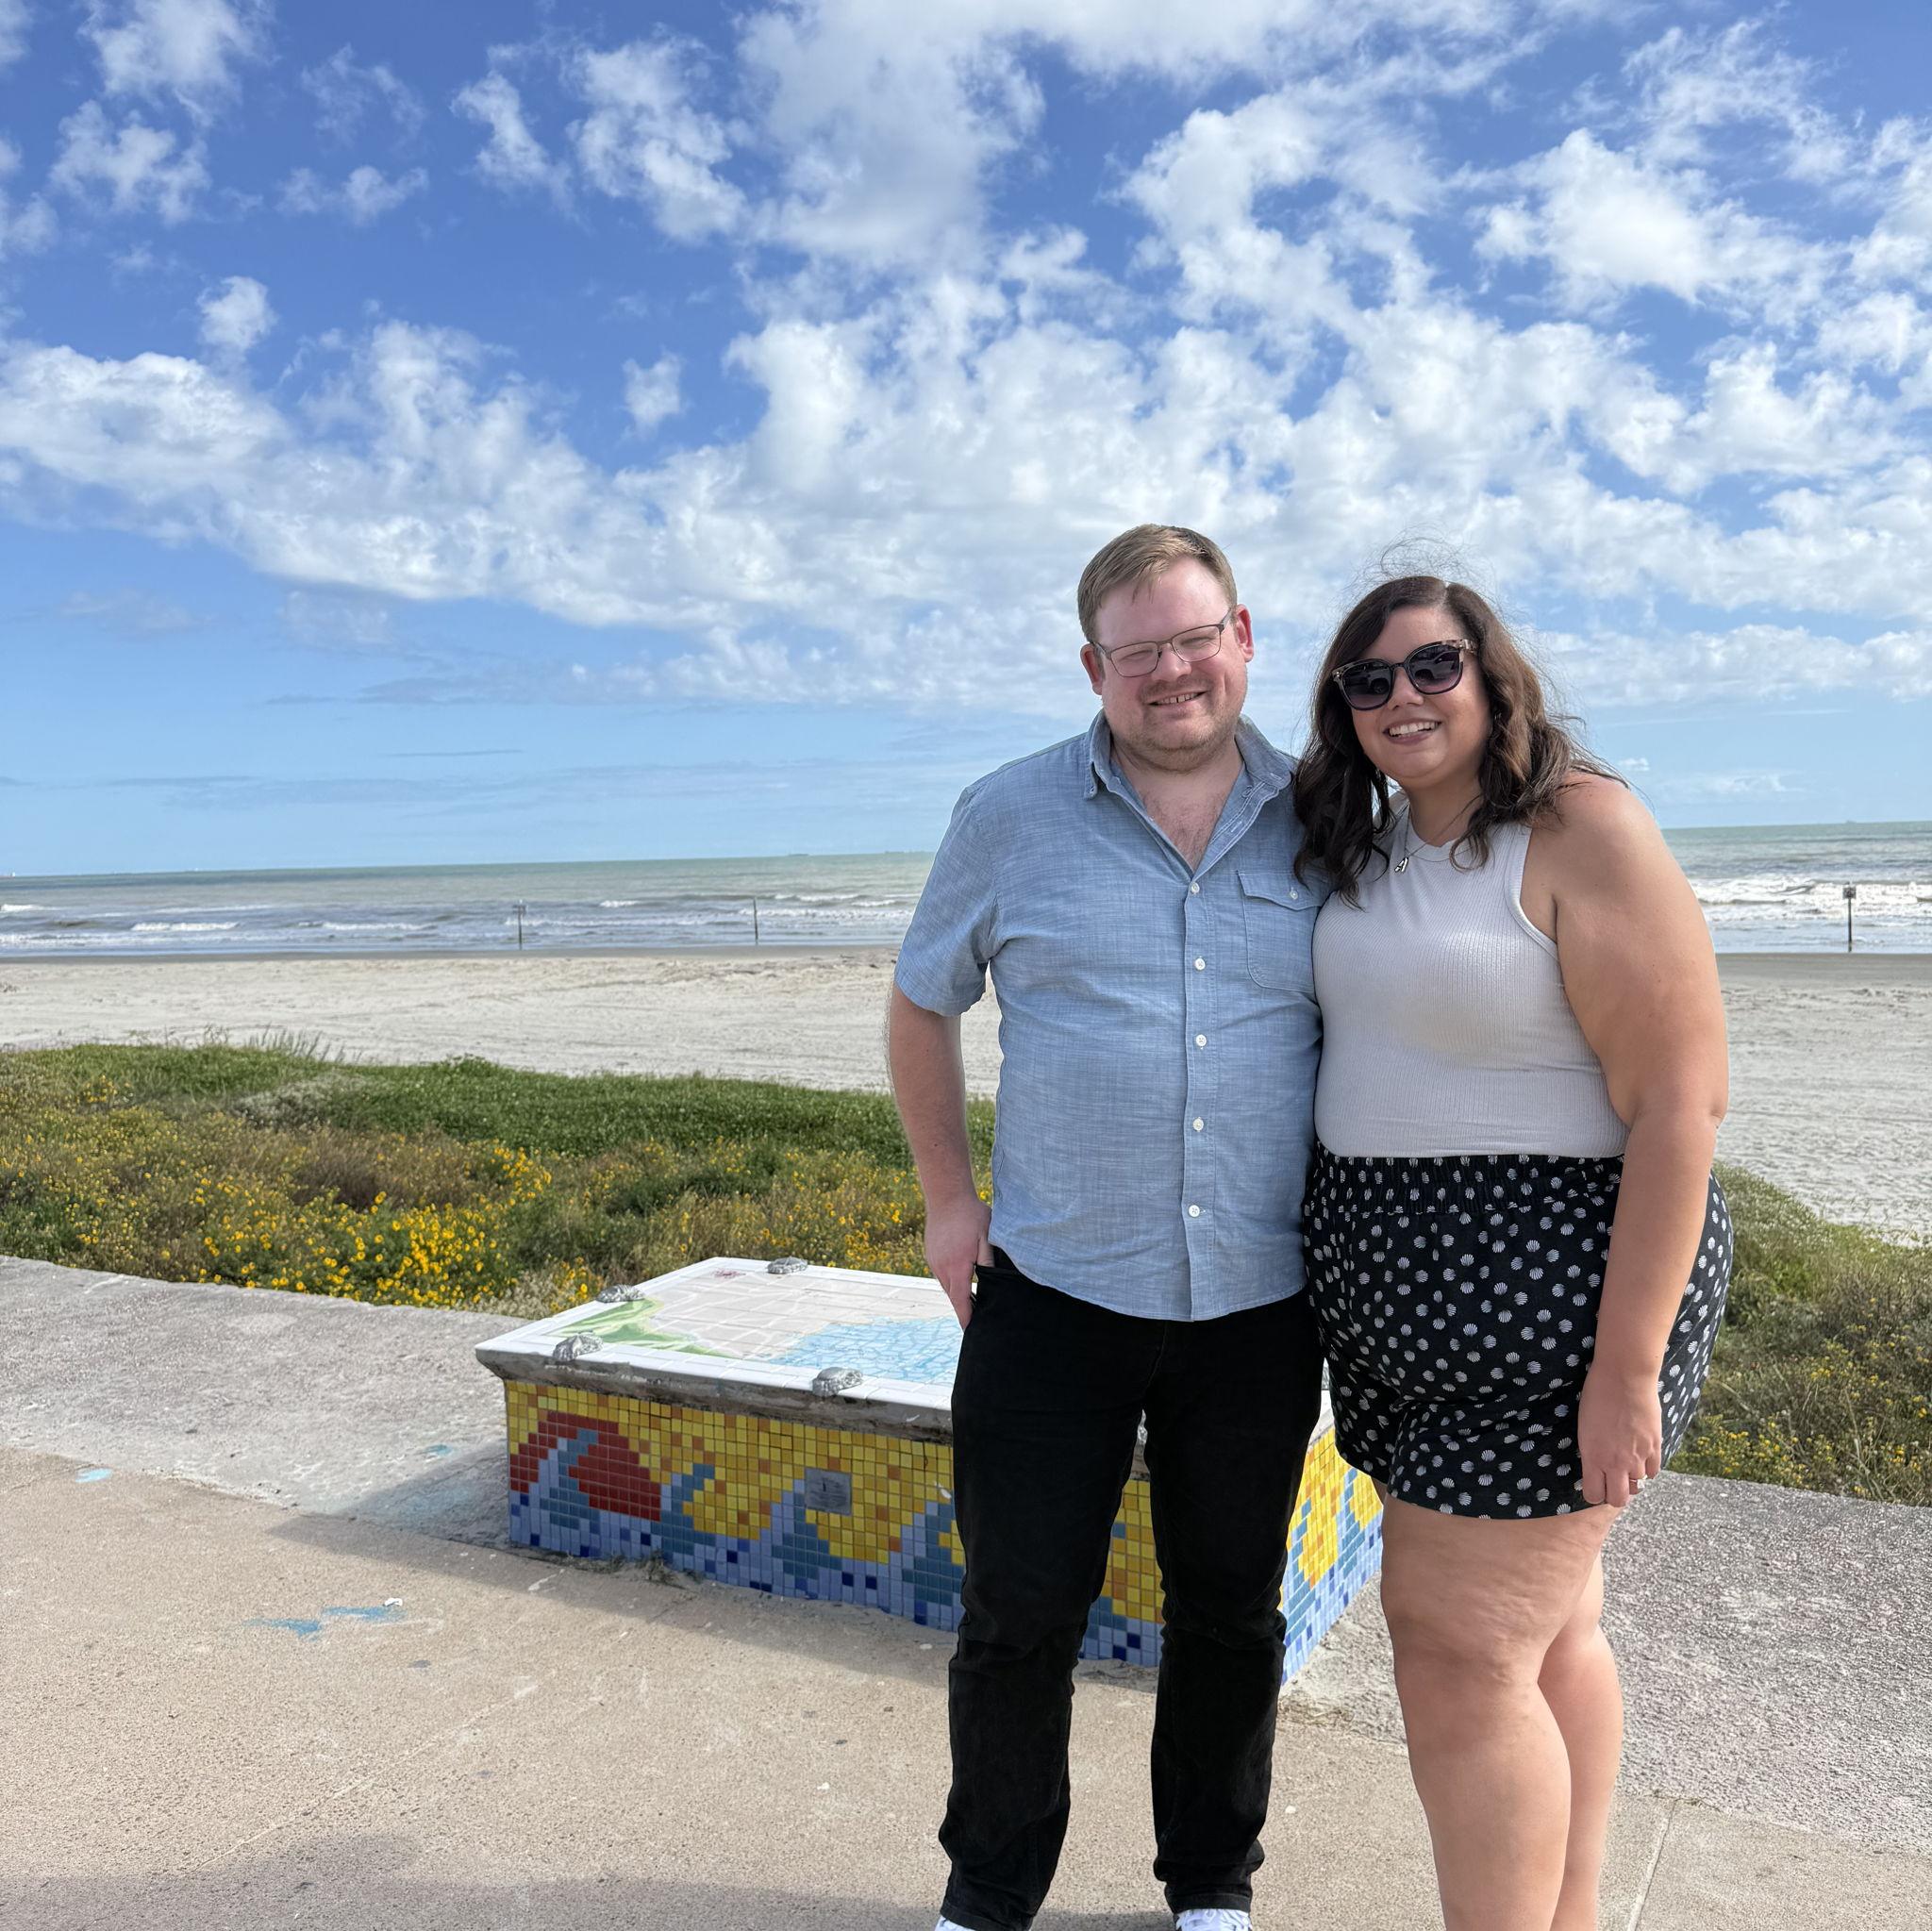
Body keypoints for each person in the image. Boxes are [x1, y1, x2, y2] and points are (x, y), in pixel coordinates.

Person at [888, 524, 1324, 1931]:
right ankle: (990, 1893)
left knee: (1231, 1616)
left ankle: (1210, 1887)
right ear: (1095, 667)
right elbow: (919, 1003)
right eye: (1138, 650)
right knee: (1017, 1620)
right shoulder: (1009, 813)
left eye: (1195, 638)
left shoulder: (1334, 815)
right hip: (1055, 1296)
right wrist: (950, 1202)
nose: (1171, 671)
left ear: (1244, 638)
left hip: (1261, 1302)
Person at [1293, 574, 1732, 1931]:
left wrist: (1628, 1370)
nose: (1403, 698)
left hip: (1559, 1313)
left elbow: (1681, 1101)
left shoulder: (1580, 825)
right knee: (1551, 1639)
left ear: (1492, 679)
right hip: (1404, 1324)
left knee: (1456, 1646)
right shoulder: (1370, 850)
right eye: (1369, 682)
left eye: (1432, 667)